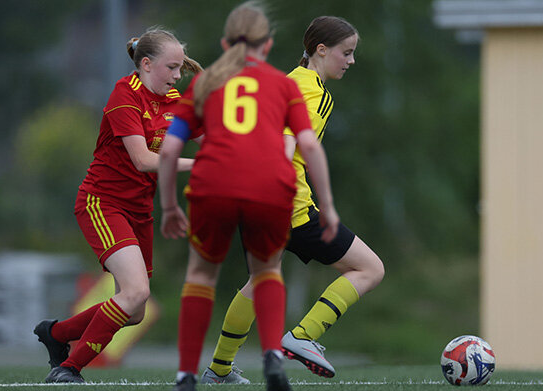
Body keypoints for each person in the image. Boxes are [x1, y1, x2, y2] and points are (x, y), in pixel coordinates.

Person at [157, 3, 340, 391]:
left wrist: (170, 206)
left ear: (225, 42)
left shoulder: (204, 84)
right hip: (267, 187)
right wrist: (327, 204)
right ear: (268, 44)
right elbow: (308, 145)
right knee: (267, 271)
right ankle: (273, 358)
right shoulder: (284, 84)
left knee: (201, 276)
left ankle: (187, 375)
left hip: (211, 185)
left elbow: (171, 150)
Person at [201, 16, 384, 384]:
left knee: (260, 281)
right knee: (369, 268)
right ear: (321, 50)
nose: (350, 61)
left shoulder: (285, 80)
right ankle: (303, 337)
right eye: (346, 53)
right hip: (287, 205)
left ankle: (219, 369)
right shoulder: (312, 89)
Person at [33, 28, 203, 384]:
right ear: (145, 64)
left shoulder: (172, 98)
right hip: (102, 203)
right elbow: (143, 159)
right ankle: (68, 368)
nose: (176, 76)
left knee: (135, 310)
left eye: (179, 69)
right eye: (171, 68)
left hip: (139, 211)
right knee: (136, 292)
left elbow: (208, 132)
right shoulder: (125, 94)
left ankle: (58, 333)